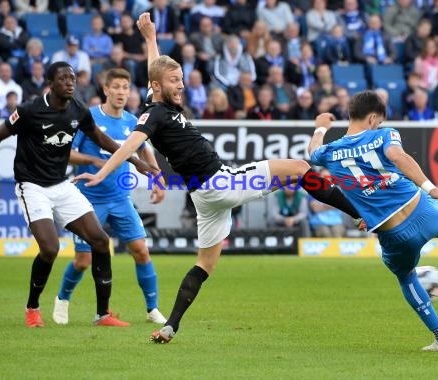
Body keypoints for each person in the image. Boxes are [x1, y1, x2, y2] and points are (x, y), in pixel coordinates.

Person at [74, 12, 363, 344]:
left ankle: (170, 326)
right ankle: (359, 212)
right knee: (300, 168)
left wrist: (151, 38)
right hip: (221, 183)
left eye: (181, 78)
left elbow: (157, 73)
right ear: (157, 86)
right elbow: (128, 148)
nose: (180, 84)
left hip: (205, 199)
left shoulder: (159, 103)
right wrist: (102, 173)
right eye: (175, 81)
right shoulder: (153, 115)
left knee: (205, 264)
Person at [308, 90, 438, 351]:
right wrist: (433, 189)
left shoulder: (329, 152)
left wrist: (320, 128)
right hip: (423, 209)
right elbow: (398, 157)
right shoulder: (385, 134)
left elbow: (313, 152)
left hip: (393, 233)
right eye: (379, 121)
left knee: (406, 277)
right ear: (372, 118)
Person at [0, 62, 154, 328]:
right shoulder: (30, 110)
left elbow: (100, 138)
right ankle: (32, 307)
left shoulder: (78, 110)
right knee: (50, 248)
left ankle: (102, 314)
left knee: (100, 240)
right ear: (50, 84)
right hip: (32, 186)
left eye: (72, 78)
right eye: (63, 78)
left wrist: (134, 161)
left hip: (61, 185)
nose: (70, 82)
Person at [52, 68, 168, 326]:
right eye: (115, 87)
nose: (120, 92)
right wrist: (92, 160)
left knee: (141, 251)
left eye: (125, 88)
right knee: (83, 260)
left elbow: (144, 149)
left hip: (120, 198)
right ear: (106, 89)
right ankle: (62, 299)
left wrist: (157, 179)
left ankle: (153, 309)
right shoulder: (88, 117)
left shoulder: (131, 121)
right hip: (88, 200)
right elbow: (67, 152)